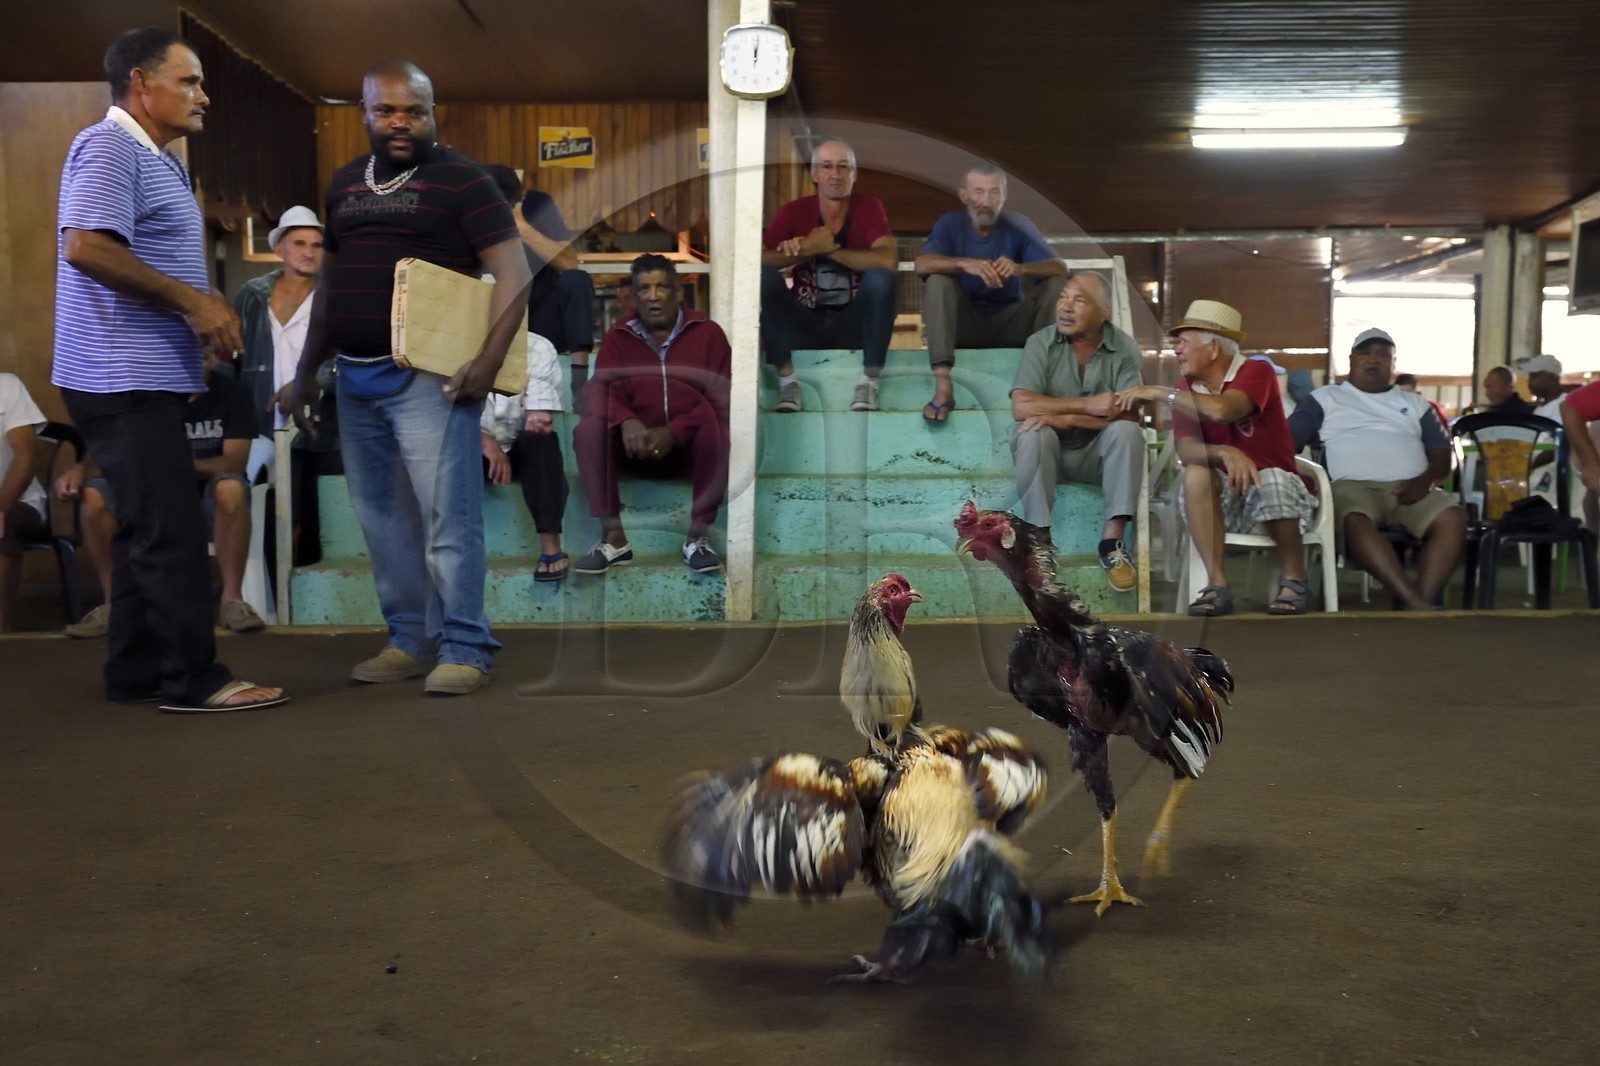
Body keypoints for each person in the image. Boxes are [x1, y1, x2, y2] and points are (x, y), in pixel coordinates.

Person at [51, 27, 284, 711]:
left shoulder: (159, 157)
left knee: (143, 526)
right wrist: (196, 303)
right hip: (118, 376)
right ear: (140, 84)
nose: (203, 96)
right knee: (172, 528)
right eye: (189, 81)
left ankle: (135, 673)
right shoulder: (109, 145)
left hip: (145, 374)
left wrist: (195, 322)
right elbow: (87, 247)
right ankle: (194, 680)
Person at [292, 59, 532, 696]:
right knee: (381, 517)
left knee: (447, 519)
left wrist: (485, 363)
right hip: (354, 378)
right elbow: (329, 284)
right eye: (386, 110)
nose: (400, 122)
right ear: (365, 112)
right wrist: (306, 366)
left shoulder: (463, 181)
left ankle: (465, 645)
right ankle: (407, 638)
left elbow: (514, 273)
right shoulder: (344, 186)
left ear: (433, 112)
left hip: (431, 377)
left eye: (414, 110)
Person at [1118, 301, 1315, 616]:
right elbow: (1186, 449)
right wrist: (1224, 451)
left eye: (1184, 342)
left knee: (1274, 478)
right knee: (1195, 473)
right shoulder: (1185, 389)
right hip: (1224, 502)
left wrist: (1158, 392)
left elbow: (1223, 410)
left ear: (1212, 347)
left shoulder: (1256, 371)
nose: (1177, 350)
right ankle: (1217, 584)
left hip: (1278, 502)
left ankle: (1295, 578)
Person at [56, 355, 266, 635]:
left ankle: (232, 600)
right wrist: (79, 470)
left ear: (213, 356)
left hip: (205, 494)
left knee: (231, 487)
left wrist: (179, 463)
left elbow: (234, 463)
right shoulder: (148, 394)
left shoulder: (232, 392)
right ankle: (113, 604)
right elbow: (111, 452)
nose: (195, 356)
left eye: (202, 348)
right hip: (150, 492)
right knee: (93, 495)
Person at [572, 254, 730, 575]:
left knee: (716, 428)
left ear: (678, 293)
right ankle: (614, 537)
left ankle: (697, 538)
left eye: (662, 287)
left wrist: (675, 430)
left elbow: (722, 395)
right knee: (588, 429)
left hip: (688, 451)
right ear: (634, 295)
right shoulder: (619, 335)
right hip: (635, 449)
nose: (653, 296)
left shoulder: (708, 333)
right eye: (644, 289)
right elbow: (599, 389)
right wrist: (626, 421)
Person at [1288, 328, 1466, 611]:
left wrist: (1426, 480)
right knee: (1352, 518)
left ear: (1394, 364)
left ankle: (1424, 601)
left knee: (1452, 517)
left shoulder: (1416, 404)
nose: (1374, 359)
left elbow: (1444, 457)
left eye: (1384, 354)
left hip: (1413, 487)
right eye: (1365, 352)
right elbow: (1289, 441)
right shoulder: (1324, 398)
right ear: (1351, 360)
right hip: (1352, 487)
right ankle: (1414, 601)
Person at [1009, 272, 1145, 591]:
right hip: (1048, 453)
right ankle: (1038, 544)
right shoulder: (1040, 342)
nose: (1066, 308)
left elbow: (1130, 414)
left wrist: (1061, 415)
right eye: (1063, 298)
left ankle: (1111, 544)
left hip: (1096, 456)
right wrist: (1085, 409)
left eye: (1079, 300)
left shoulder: (1125, 350)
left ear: (1104, 312)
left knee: (1126, 432)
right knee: (1031, 432)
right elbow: (1021, 406)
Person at [913, 161, 1067, 422]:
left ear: (1004, 196)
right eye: (978, 192)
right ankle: (943, 386)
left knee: (1055, 284)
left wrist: (1020, 269)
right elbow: (921, 264)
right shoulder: (950, 223)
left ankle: (1044, 381)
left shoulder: (1018, 223)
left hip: (1012, 324)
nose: (986, 200)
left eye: (994, 192)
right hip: (966, 325)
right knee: (937, 281)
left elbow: (1059, 267)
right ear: (964, 195)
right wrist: (964, 263)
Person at [232, 204, 339, 569]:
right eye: (299, 243)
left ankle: (304, 606)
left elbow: (348, 359)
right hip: (260, 422)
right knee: (257, 513)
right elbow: (233, 355)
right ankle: (262, 600)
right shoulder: (253, 294)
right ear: (280, 248)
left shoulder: (336, 297)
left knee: (312, 517)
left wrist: (312, 381)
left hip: (318, 425)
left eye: (317, 244)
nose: (309, 252)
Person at [760, 138, 896, 413]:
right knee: (764, 277)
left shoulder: (869, 207)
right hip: (803, 324)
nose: (836, 174)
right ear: (814, 174)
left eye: (843, 166)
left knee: (881, 279)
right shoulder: (794, 211)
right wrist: (806, 249)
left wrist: (827, 248)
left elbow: (887, 259)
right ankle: (788, 384)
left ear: (854, 174)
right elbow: (756, 259)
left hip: (852, 325)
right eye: (827, 166)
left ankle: (868, 383)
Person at [483, 164, 570, 582]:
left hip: (517, 447)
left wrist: (535, 418)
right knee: (444, 446)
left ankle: (550, 547)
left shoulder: (538, 347)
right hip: (473, 449)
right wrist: (482, 439)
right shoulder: (456, 346)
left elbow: (539, 417)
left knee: (543, 442)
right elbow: (441, 407)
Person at [510, 175, 596, 414]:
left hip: (542, 316)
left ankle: (579, 384)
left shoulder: (536, 203)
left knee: (576, 279)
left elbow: (570, 262)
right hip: (498, 317)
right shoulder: (474, 206)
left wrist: (522, 226)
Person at [0, 373, 50, 633]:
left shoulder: (7, 386)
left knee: (3, 522)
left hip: (18, 502)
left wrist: (1, 505)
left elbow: (25, 455)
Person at [1515, 354, 1566, 421]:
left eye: (1534, 376)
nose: (1529, 381)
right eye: (1529, 377)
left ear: (1552, 377)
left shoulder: (1567, 407)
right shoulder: (1539, 410)